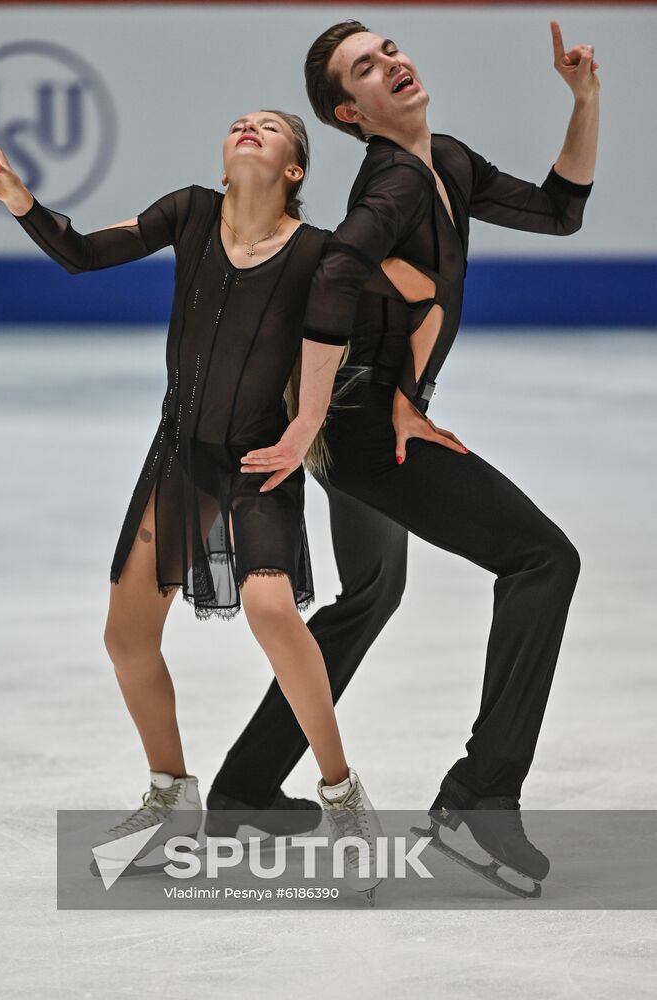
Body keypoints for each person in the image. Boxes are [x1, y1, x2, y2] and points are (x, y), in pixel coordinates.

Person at [0, 111, 383, 896]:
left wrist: (342, 423)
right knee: (125, 636)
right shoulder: (187, 212)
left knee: (274, 612)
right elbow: (80, 254)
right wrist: (17, 195)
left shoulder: (317, 255)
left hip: (258, 460)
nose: (250, 127)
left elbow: (362, 338)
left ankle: (343, 793)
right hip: (180, 456)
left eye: (272, 128)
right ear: (224, 165)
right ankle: (171, 795)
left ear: (295, 172)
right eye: (239, 124)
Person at [218, 19, 599, 893]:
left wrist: (584, 101)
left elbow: (559, 210)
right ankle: (478, 800)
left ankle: (244, 785)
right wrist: (317, 410)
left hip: (373, 418)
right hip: (363, 434)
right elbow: (335, 271)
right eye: (366, 67)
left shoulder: (446, 161)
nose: (392, 61)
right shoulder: (391, 182)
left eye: (389, 48)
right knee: (543, 559)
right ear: (351, 113)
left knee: (373, 591)